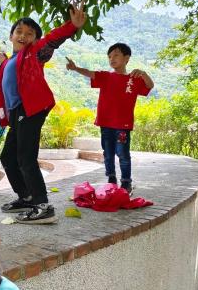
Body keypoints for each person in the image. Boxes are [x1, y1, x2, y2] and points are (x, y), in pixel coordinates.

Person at [0, 1, 86, 224]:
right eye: (19, 31)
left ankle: (42, 206)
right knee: (8, 157)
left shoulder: (34, 53)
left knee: (26, 157)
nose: (23, 36)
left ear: (35, 40)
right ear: (11, 36)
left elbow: (51, 41)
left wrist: (72, 26)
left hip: (31, 108)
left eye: (30, 34)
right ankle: (26, 197)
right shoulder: (11, 61)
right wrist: (3, 60)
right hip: (17, 112)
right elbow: (11, 77)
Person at [66, 42, 154, 193]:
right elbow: (90, 73)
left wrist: (144, 74)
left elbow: (150, 86)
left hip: (123, 125)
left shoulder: (134, 79)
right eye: (109, 56)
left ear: (127, 58)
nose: (112, 59)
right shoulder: (106, 76)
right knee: (108, 153)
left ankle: (126, 182)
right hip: (105, 123)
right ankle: (111, 179)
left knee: (123, 154)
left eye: (116, 55)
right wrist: (76, 68)